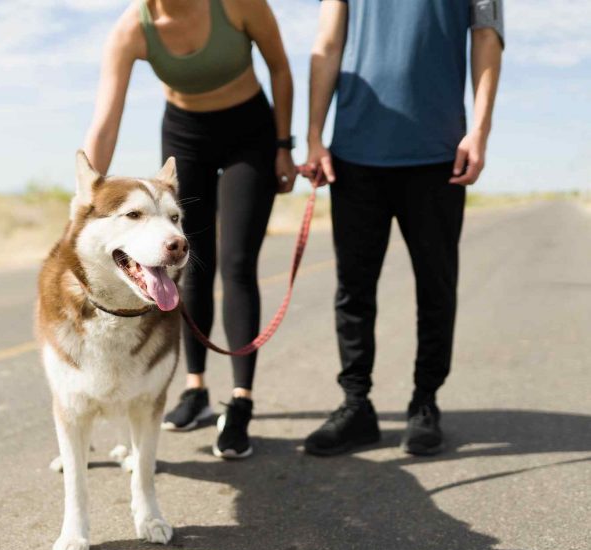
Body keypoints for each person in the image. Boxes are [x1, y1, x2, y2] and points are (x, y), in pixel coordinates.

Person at [83, 0, 297, 459]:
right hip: (185, 136)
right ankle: (195, 389)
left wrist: (284, 145)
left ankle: (241, 401)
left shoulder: (238, 5)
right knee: (185, 262)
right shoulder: (132, 30)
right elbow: (106, 120)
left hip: (251, 135)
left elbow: (280, 68)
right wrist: (85, 199)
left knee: (238, 262)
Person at [302, 0, 504, 456]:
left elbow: (487, 37)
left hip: (439, 155)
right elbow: (328, 43)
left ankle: (425, 403)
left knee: (436, 285)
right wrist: (315, 135)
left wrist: (481, 130)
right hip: (354, 155)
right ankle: (356, 406)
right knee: (353, 289)